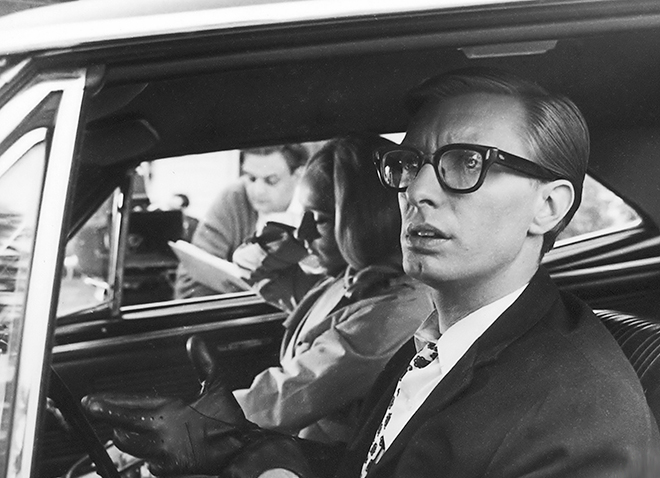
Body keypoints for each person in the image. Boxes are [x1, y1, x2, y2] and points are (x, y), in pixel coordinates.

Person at [83, 68, 660, 478]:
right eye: (409, 164)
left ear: (551, 207)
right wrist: (247, 449)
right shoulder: (436, 342)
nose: (417, 190)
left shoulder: (576, 427)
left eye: (467, 163)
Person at [82, 134, 433, 466]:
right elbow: (270, 281)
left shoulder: (396, 310)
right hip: (291, 447)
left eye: (321, 220)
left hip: (319, 461)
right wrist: (288, 244)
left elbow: (292, 391)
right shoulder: (353, 279)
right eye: (303, 216)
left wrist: (197, 421)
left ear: (366, 221)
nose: (304, 230)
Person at [175, 144, 308, 298]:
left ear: (298, 175)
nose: (258, 191)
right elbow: (190, 279)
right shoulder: (233, 198)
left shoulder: (318, 206)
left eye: (271, 180)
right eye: (251, 178)